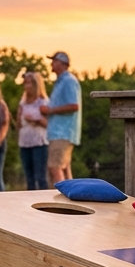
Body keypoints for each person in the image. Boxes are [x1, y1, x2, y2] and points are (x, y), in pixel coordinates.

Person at [42, 51, 81, 184]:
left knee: (55, 167)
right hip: (58, 133)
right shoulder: (60, 82)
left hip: (63, 133)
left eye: (54, 61)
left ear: (63, 64)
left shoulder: (69, 81)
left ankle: (60, 201)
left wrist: (50, 110)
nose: (51, 64)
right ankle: (69, 200)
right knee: (64, 169)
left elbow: (74, 105)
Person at [16, 71, 51, 191]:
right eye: (25, 83)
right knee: (29, 177)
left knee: (40, 176)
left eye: (29, 83)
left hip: (39, 142)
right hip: (24, 142)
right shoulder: (23, 102)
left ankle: (44, 203)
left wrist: (36, 120)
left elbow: (50, 124)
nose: (27, 86)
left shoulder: (43, 102)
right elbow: (19, 124)